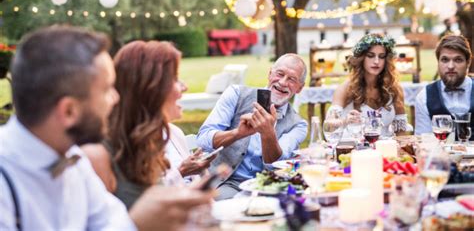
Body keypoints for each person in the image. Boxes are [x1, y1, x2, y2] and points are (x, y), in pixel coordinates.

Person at [0, 26, 212, 231]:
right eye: (107, 90)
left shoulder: (74, 161)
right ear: (69, 112)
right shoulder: (6, 178)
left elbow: (109, 223)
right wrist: (138, 224)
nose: (116, 98)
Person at [82, 40, 214, 208]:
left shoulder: (149, 142)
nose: (185, 87)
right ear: (150, 90)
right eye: (174, 79)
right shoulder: (99, 155)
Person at [196, 53, 308, 200]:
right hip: (225, 182)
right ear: (270, 74)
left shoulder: (298, 124)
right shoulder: (236, 94)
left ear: (299, 88)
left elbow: (275, 166)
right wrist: (238, 133)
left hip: (267, 188)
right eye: (279, 74)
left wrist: (268, 133)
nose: (282, 82)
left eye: (292, 79)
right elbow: (203, 139)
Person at [329, 33, 409, 133]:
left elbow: (401, 130)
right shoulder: (346, 88)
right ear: (361, 58)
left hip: (385, 147)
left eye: (381, 56)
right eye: (370, 56)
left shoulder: (393, 88)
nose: (376, 61)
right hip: (354, 146)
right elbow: (329, 125)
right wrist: (345, 121)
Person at [415, 34, 473, 137]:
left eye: (458, 60)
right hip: (439, 153)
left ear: (468, 63)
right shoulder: (424, 97)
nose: (450, 66)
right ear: (438, 62)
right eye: (445, 60)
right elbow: (423, 141)